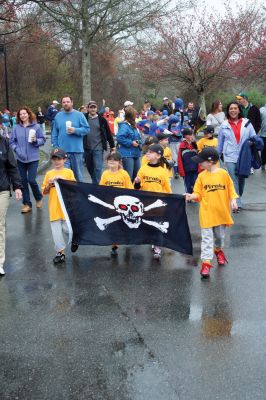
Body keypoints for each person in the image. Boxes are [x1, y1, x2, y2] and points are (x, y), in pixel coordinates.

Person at [185, 147, 238, 278]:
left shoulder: (223, 174)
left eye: (201, 161)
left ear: (210, 162)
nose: (199, 164)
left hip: (221, 213)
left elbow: (231, 188)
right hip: (207, 214)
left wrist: (233, 200)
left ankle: (218, 250)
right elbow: (197, 192)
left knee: (219, 238)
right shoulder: (201, 176)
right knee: (207, 240)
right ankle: (206, 264)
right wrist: (192, 196)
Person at [134, 143, 172, 259]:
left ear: (158, 156)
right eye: (147, 152)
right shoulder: (143, 168)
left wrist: (170, 201)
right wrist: (137, 182)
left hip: (158, 203)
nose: (147, 154)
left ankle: (157, 246)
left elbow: (167, 189)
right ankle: (152, 240)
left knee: (157, 224)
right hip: (145, 203)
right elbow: (136, 188)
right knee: (147, 224)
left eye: (150, 152)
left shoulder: (162, 171)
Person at [218, 101, 256, 211]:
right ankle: (237, 202)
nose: (233, 110)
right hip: (229, 156)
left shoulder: (247, 123)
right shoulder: (224, 125)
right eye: (231, 109)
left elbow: (253, 137)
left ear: (239, 110)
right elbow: (220, 142)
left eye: (235, 108)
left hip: (244, 157)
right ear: (228, 111)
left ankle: (238, 196)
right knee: (233, 179)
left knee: (241, 179)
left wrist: (251, 143)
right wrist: (217, 155)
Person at [42, 148, 76, 264]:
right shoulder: (49, 174)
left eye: (59, 159)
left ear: (64, 159)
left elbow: (74, 187)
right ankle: (60, 253)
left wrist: (63, 181)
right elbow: (44, 191)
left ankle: (74, 239)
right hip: (54, 207)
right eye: (54, 159)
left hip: (66, 208)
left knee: (68, 229)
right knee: (56, 232)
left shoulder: (68, 172)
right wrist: (49, 185)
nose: (57, 161)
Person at [9, 106, 46, 213]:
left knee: (31, 180)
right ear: (19, 116)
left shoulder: (36, 127)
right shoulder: (16, 128)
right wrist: (16, 149)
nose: (23, 115)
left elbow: (42, 140)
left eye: (24, 113)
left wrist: (36, 141)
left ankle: (38, 197)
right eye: (21, 114)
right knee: (23, 182)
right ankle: (27, 204)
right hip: (20, 159)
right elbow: (12, 142)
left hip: (33, 158)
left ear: (28, 114)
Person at [99, 151, 133, 256]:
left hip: (123, 204)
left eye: (114, 160)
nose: (112, 162)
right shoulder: (105, 174)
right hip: (110, 204)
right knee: (113, 225)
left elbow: (130, 189)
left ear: (119, 162)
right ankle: (114, 245)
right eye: (110, 160)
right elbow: (100, 188)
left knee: (124, 224)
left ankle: (127, 237)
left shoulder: (124, 174)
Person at [52, 95, 90, 182]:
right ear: (62, 104)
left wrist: (75, 130)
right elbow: (54, 133)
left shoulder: (79, 115)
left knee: (78, 177)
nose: (66, 104)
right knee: (63, 177)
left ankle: (80, 194)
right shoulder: (58, 116)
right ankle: (67, 195)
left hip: (76, 151)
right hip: (62, 152)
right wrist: (56, 146)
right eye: (64, 102)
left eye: (68, 102)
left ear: (72, 103)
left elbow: (87, 129)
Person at [0, 135, 23, 276]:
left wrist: (17, 186)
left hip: (1, 189)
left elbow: (12, 166)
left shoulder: (3, 142)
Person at [84, 100, 115, 184]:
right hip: (86, 147)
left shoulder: (102, 119)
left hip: (98, 147)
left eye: (94, 107)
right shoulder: (84, 118)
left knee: (98, 168)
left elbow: (108, 133)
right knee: (90, 167)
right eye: (91, 107)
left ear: (97, 108)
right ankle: (95, 181)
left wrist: (112, 146)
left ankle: (96, 186)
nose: (93, 109)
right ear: (88, 108)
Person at [116, 106, 142, 181]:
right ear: (131, 116)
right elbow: (119, 138)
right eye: (135, 115)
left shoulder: (133, 125)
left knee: (136, 177)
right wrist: (131, 143)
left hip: (135, 153)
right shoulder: (124, 126)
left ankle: (134, 192)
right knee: (128, 177)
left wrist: (139, 142)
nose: (136, 116)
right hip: (127, 154)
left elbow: (137, 138)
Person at [178, 128, 198, 193]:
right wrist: (181, 171)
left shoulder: (195, 145)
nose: (191, 136)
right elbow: (179, 159)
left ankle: (194, 196)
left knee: (196, 184)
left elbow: (199, 156)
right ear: (185, 136)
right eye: (189, 135)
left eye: (191, 134)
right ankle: (189, 196)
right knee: (188, 185)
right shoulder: (182, 145)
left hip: (195, 169)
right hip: (186, 170)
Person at [259, 102, 266, 169]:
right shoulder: (261, 110)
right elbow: (258, 121)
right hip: (263, 134)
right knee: (263, 150)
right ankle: (263, 163)